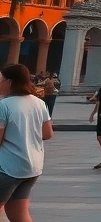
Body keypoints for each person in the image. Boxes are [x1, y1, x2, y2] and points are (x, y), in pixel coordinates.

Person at [0, 64, 52, 222]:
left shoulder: (4, 105)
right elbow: (48, 134)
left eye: (0, 80)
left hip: (8, 168)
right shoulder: (38, 103)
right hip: (32, 168)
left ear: (9, 82)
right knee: (18, 213)